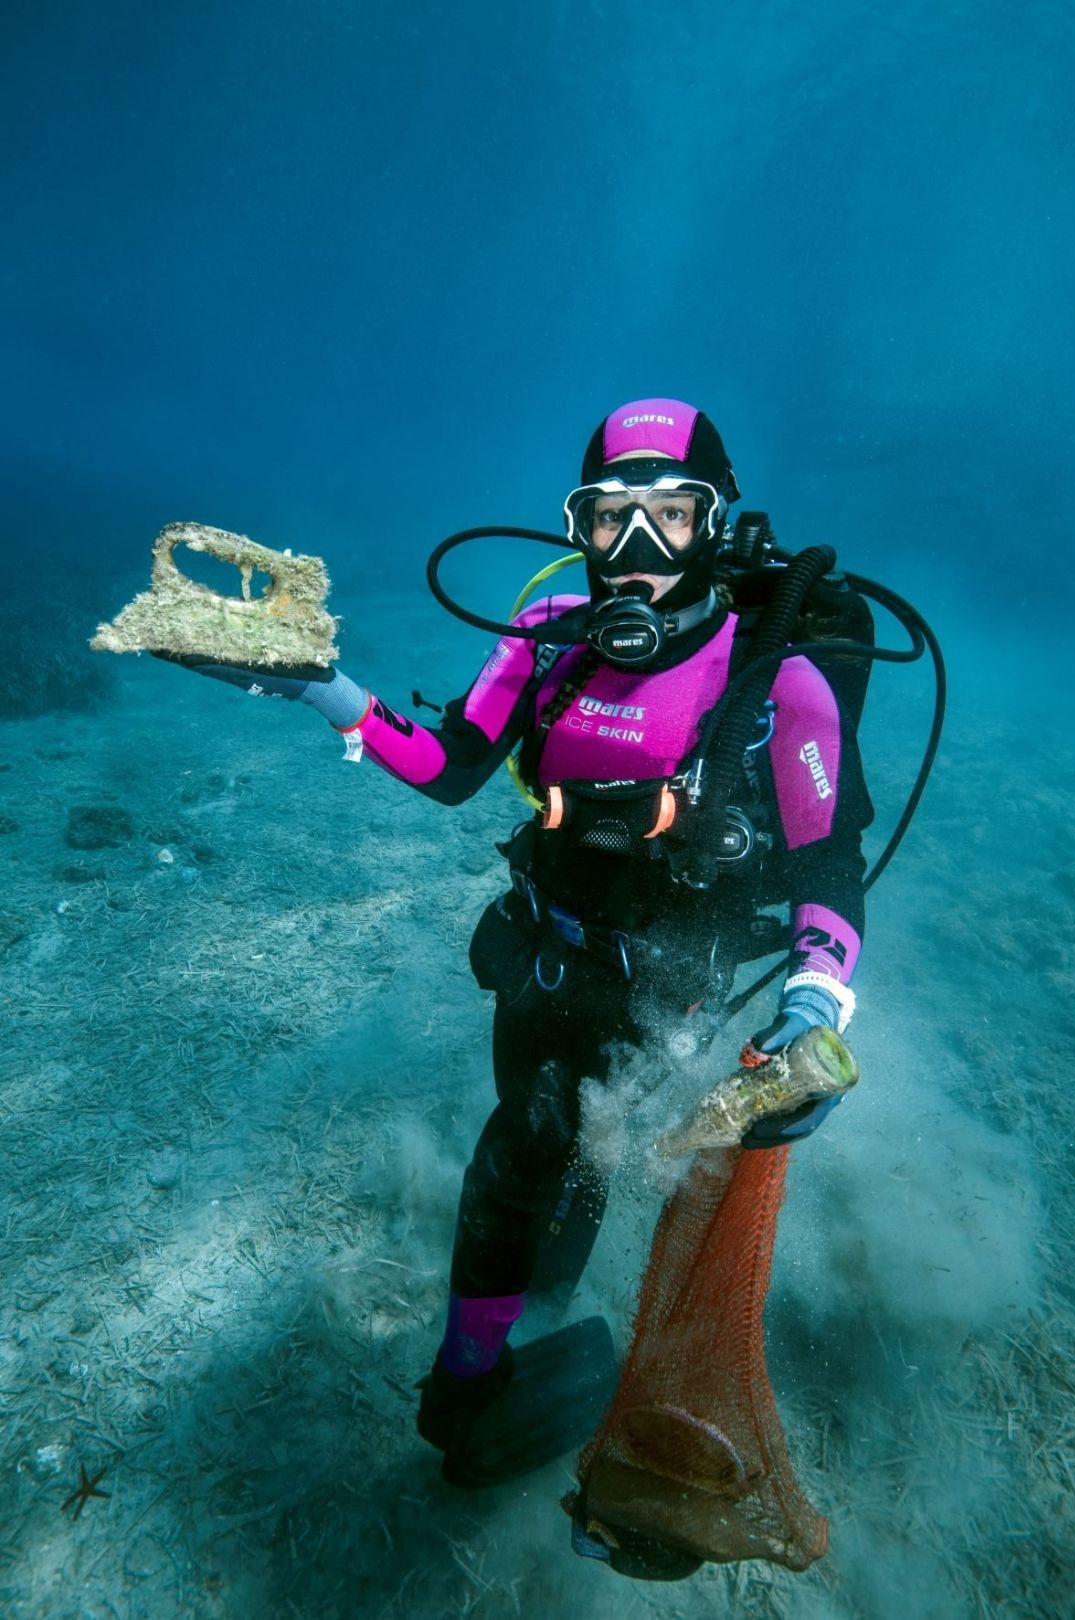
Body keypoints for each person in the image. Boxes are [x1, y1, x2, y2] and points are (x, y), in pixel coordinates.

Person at [166, 397, 873, 1478]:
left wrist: (815, 1002)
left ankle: (468, 1387)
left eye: (670, 517)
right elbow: (449, 764)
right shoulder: (547, 644)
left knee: (525, 1149)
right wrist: (323, 688)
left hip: (668, 990)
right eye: (608, 519)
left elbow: (828, 864)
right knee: (558, 1150)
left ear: (716, 525)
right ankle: (534, 1303)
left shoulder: (779, 682)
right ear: (577, 529)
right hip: (539, 956)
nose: (634, 550)